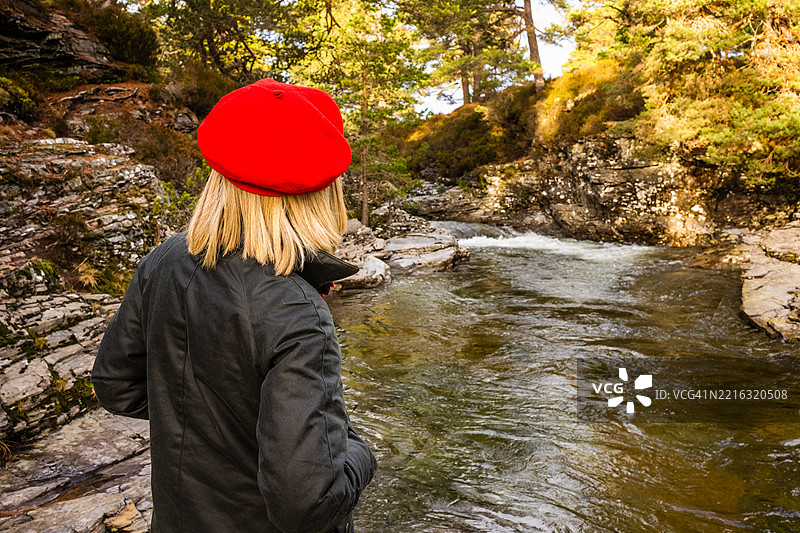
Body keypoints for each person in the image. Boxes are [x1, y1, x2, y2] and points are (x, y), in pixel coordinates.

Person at [91, 78, 377, 533]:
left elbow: (115, 385)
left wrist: (206, 421)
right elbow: (308, 505)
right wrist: (358, 451)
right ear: (322, 191)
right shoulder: (299, 315)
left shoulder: (163, 260)